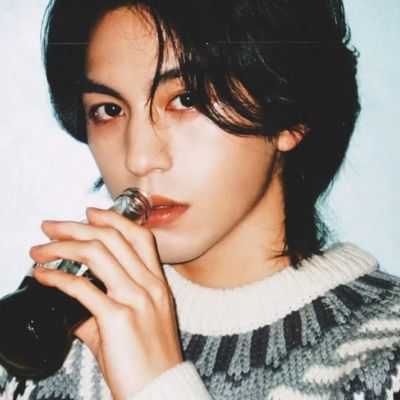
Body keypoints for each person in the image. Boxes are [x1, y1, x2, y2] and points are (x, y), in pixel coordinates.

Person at [1, 0, 400, 399]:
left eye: (187, 99)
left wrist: (157, 387)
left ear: (290, 117)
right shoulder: (53, 345)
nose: (138, 158)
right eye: (109, 110)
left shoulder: (385, 358)